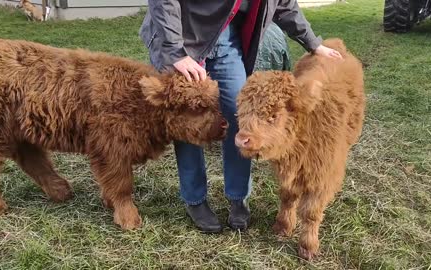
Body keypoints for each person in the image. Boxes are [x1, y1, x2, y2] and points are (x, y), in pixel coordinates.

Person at [139, 0, 342, 233]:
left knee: (241, 120)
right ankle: (195, 200)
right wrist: (175, 51)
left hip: (227, 40)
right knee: (189, 119)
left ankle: (238, 197)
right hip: (181, 37)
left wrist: (314, 44)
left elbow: (284, 4)